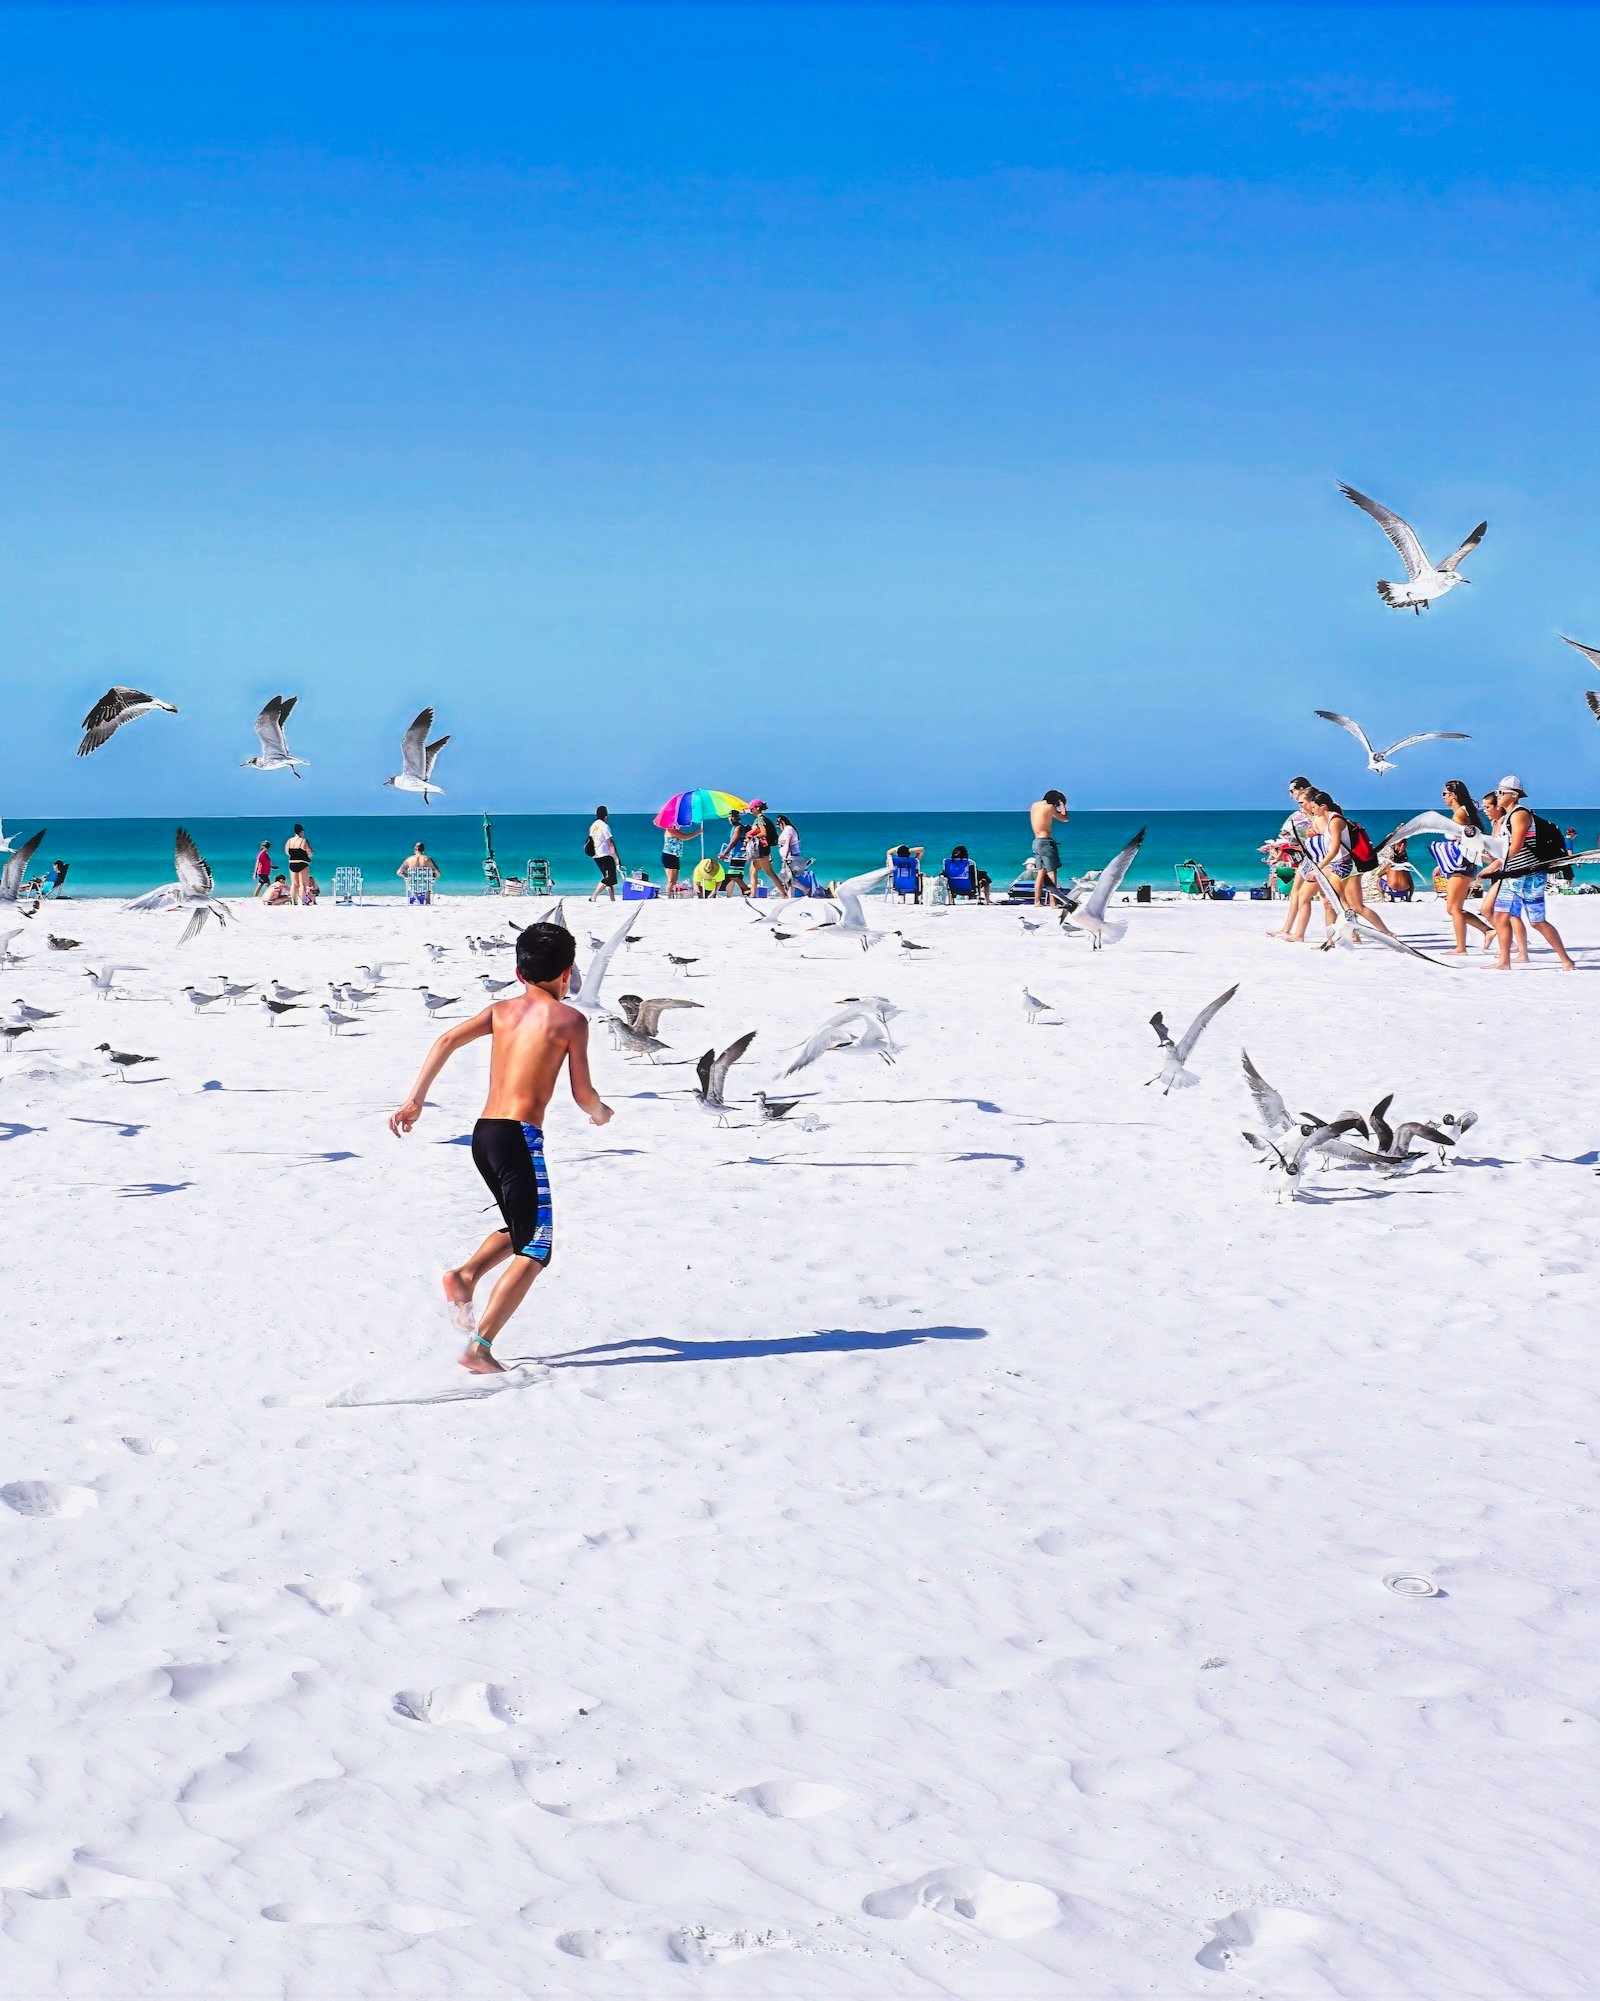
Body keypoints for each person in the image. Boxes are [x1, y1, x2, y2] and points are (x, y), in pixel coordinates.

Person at [389, 921, 612, 1373]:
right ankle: (479, 1347)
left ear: (518, 972)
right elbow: (581, 1093)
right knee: (537, 1247)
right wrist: (600, 1112)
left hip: (484, 1134)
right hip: (519, 1137)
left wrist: (415, 1100)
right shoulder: (571, 1019)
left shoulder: (500, 1010)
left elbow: (446, 1039)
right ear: (568, 974)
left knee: (520, 1222)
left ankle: (464, 1276)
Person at [1490, 776, 1575, 972]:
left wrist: (1496, 864)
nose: (1498, 796)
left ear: (1514, 795)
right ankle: (1504, 962)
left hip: (1530, 875)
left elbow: (1517, 845)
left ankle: (1566, 960)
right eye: (1497, 792)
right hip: (1512, 875)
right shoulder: (1505, 818)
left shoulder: (1520, 814)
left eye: (1501, 793)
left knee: (1537, 921)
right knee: (1501, 916)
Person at [1429, 780, 1493, 954]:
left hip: (1462, 865)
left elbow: (1467, 842)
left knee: (1454, 908)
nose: (1443, 797)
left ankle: (1461, 947)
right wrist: (1442, 864)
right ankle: (1488, 931)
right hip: (1461, 864)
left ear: (1453, 795)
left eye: (1444, 793)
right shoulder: (1462, 813)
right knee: (1452, 908)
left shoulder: (1459, 816)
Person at [1029, 790, 1069, 908]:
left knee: (1041, 873)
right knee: (1052, 873)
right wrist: (1062, 805)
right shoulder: (1050, 807)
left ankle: (1037, 901)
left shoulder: (1034, 805)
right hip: (1046, 842)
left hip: (1036, 842)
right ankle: (1053, 902)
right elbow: (1065, 818)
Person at [744, 801, 784, 897]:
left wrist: (752, 836)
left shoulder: (760, 819)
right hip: (762, 849)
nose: (750, 810)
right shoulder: (760, 819)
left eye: (751, 808)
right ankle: (752, 895)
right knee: (753, 871)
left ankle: (783, 893)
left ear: (757, 808)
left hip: (762, 850)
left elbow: (763, 833)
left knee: (769, 872)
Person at [587, 807, 620, 901]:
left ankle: (612, 899)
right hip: (605, 855)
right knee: (610, 878)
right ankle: (594, 896)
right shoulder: (604, 826)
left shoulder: (594, 825)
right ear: (606, 816)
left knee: (608, 878)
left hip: (596, 855)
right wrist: (616, 858)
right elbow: (610, 843)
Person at [718, 812, 750, 894]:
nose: (731, 819)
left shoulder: (738, 828)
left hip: (739, 855)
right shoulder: (735, 827)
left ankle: (747, 889)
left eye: (733, 817)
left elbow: (733, 842)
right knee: (736, 874)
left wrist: (725, 853)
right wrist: (728, 854)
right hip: (737, 854)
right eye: (730, 817)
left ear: (737, 817)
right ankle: (744, 891)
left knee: (733, 875)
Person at [660, 823, 695, 894]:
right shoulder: (669, 831)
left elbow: (682, 835)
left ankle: (672, 894)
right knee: (671, 880)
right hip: (668, 856)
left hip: (675, 856)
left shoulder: (676, 831)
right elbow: (685, 837)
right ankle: (669, 895)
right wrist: (698, 832)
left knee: (675, 880)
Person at [285, 824, 313, 906]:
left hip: (292, 863)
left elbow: (287, 852)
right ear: (301, 831)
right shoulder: (303, 841)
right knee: (302, 884)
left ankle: (294, 901)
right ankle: (304, 901)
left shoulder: (289, 841)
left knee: (294, 884)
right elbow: (309, 852)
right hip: (302, 863)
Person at [775, 813, 803, 891]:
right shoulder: (786, 830)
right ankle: (790, 896)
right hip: (789, 856)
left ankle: (804, 889)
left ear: (782, 822)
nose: (779, 827)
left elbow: (788, 843)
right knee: (789, 878)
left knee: (788, 877)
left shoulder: (788, 829)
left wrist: (785, 856)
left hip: (791, 856)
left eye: (779, 825)